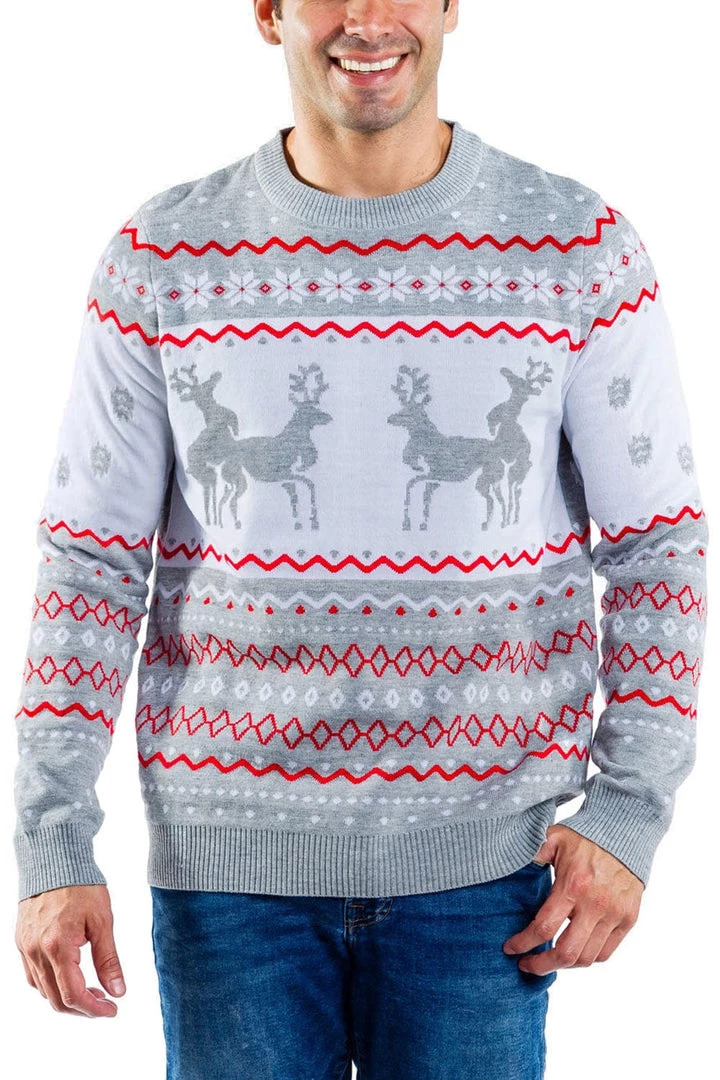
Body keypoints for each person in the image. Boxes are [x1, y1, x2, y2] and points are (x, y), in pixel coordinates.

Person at [12, 1, 708, 1078]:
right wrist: (51, 839)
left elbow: (658, 547)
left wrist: (628, 811)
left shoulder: (577, 249)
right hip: (229, 877)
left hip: (489, 877)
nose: (369, 20)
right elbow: (91, 565)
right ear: (269, 12)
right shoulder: (164, 259)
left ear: (452, 6)